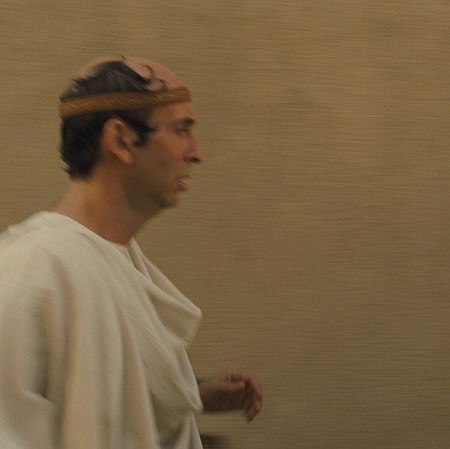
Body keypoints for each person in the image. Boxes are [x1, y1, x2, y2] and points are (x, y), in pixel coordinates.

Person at [0, 56, 263, 448]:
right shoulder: (32, 268)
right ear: (120, 140)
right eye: (181, 130)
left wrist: (195, 395)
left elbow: (100, 398)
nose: (196, 152)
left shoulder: (110, 258)